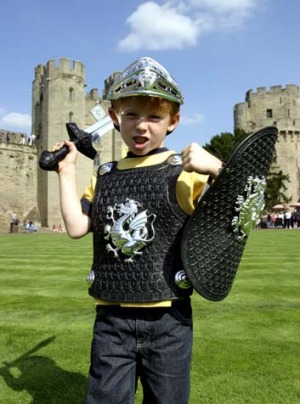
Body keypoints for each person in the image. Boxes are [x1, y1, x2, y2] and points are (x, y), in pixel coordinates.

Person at [51, 57, 223, 404]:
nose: (141, 126)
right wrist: (67, 172)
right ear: (114, 117)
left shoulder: (183, 171)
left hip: (168, 319)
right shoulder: (105, 175)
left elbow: (238, 210)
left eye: (154, 117)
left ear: (173, 121)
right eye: (131, 115)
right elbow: (76, 226)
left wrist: (218, 169)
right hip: (112, 318)